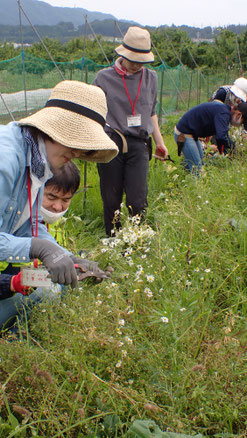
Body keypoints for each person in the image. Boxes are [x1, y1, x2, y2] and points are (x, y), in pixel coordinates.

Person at [0, 80, 118, 331]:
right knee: (46, 295)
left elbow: (27, 226)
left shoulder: (38, 163)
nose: (77, 152)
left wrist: (68, 256)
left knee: (51, 289)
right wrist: (40, 248)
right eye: (76, 142)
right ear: (55, 130)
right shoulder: (5, 160)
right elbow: (31, 240)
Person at [93, 26, 168, 236]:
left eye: (141, 61)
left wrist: (160, 142)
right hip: (111, 143)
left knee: (137, 199)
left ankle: (136, 243)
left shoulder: (151, 78)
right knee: (111, 198)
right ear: (123, 54)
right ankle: (113, 241)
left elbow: (151, 112)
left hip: (139, 144)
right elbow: (94, 112)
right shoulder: (104, 78)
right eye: (133, 60)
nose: (136, 65)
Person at [174, 101, 247, 174]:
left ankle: (186, 178)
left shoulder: (224, 111)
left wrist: (231, 148)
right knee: (197, 170)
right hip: (184, 134)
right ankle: (191, 182)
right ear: (239, 114)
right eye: (242, 122)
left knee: (200, 163)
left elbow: (223, 135)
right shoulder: (223, 114)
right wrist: (230, 150)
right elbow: (221, 136)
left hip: (191, 134)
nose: (240, 124)